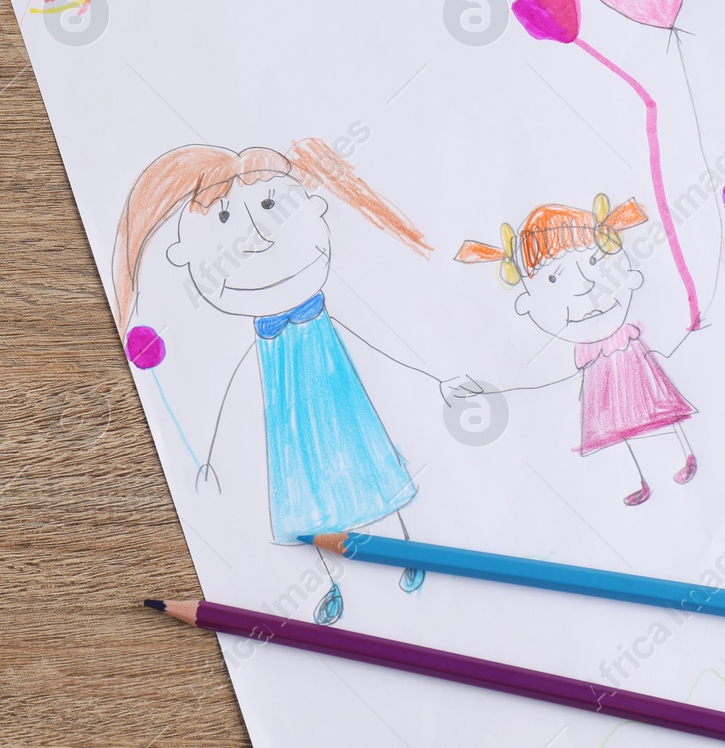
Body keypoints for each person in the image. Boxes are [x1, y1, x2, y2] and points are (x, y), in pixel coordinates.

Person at [113, 140, 473, 625]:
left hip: (342, 403)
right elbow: (239, 381)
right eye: (223, 221)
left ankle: (407, 550)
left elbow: (368, 341)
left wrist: (433, 378)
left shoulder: (320, 317)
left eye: (269, 206)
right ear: (183, 254)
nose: (257, 235)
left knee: (367, 465)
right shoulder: (262, 338)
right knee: (306, 497)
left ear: (314, 208)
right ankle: (333, 585)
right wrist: (209, 451)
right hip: (290, 425)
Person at [454, 194, 697, 506]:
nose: (584, 285)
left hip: (634, 366)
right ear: (526, 302)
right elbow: (540, 373)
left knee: (656, 413)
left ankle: (683, 456)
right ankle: (641, 480)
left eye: (594, 262)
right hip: (602, 379)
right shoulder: (584, 350)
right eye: (554, 278)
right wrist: (490, 386)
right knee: (616, 429)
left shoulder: (629, 329)